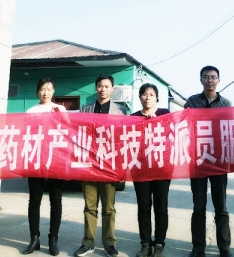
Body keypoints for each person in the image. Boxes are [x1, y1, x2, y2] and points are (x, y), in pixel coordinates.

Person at [184, 66, 232, 257]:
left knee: (221, 207)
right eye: (206, 77)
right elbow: (183, 126)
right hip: (198, 160)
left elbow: (231, 130)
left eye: (213, 77)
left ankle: (224, 248)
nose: (210, 80)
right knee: (199, 207)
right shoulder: (192, 102)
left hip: (219, 161)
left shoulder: (226, 104)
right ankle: (198, 248)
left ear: (218, 80)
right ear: (201, 80)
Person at [74, 75, 124, 257]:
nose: (103, 89)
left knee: (109, 209)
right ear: (95, 88)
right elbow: (75, 133)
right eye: (100, 86)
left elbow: (123, 140)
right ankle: (88, 243)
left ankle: (110, 244)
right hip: (89, 165)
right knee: (90, 207)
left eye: (107, 86)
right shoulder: (85, 109)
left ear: (112, 89)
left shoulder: (119, 112)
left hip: (109, 166)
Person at [23, 77, 67, 255]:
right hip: (36, 158)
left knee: (56, 200)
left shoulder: (60, 109)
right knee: (34, 200)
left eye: (49, 89)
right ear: (37, 92)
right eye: (42, 89)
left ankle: (53, 239)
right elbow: (25, 134)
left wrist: (59, 117)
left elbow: (68, 131)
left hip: (56, 158)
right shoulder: (31, 111)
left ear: (53, 91)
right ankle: (34, 238)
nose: (45, 93)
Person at [132, 84, 171, 257]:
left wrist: (157, 122)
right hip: (140, 169)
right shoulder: (133, 117)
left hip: (162, 168)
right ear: (140, 97)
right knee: (144, 207)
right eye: (144, 94)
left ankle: (159, 244)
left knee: (161, 207)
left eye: (151, 94)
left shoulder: (165, 114)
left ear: (157, 98)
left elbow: (173, 135)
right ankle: (145, 244)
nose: (147, 97)